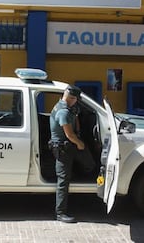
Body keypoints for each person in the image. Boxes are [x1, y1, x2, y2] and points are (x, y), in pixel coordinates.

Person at [49, 85, 96, 223]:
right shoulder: (63, 112)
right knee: (63, 180)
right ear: (72, 98)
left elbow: (74, 119)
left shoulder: (63, 106)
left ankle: (87, 174)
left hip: (67, 147)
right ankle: (60, 213)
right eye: (76, 99)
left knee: (87, 162)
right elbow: (69, 134)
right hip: (64, 148)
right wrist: (80, 143)